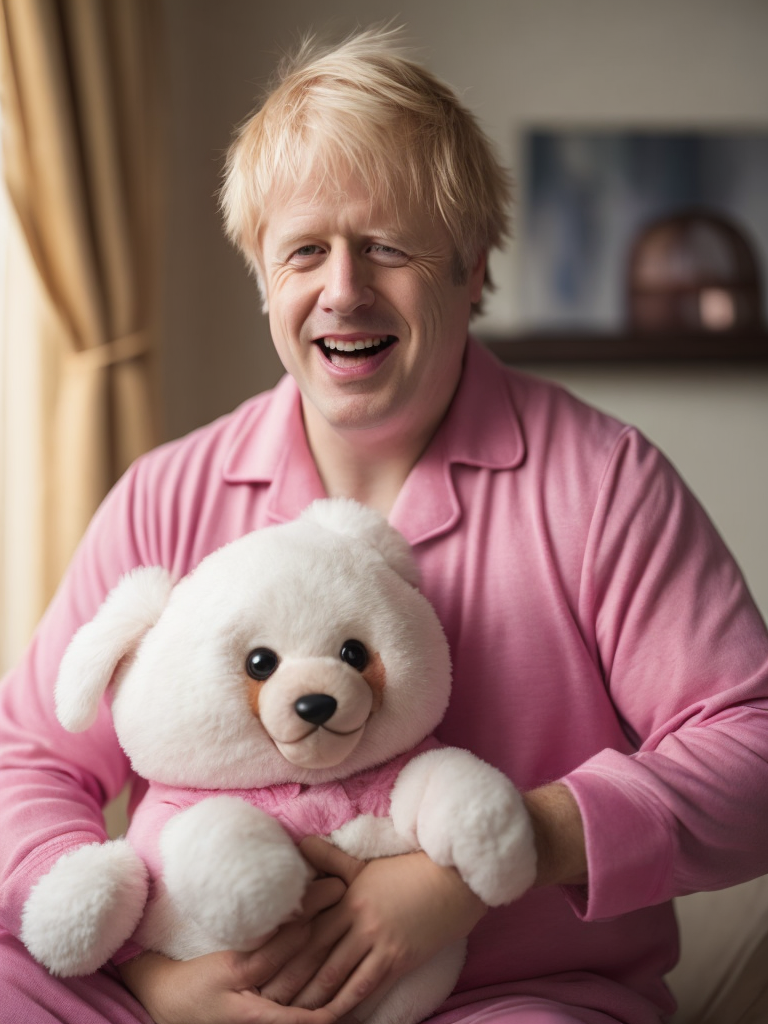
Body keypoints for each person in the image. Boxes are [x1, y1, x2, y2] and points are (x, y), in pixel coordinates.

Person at [1, 25, 767, 1024]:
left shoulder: (606, 483)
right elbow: (28, 757)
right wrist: (161, 984)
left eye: (389, 247)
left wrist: (511, 847)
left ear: (471, 268)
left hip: (509, 996)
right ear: (263, 276)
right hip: (184, 990)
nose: (344, 289)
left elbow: (753, 743)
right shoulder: (166, 492)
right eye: (305, 250)